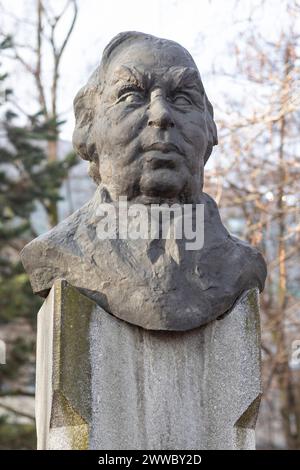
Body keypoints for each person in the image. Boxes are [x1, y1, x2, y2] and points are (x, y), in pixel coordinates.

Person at [21, 32, 266, 330]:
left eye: (183, 98)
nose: (161, 114)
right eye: (131, 96)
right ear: (87, 127)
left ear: (210, 129)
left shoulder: (239, 266)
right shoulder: (59, 251)